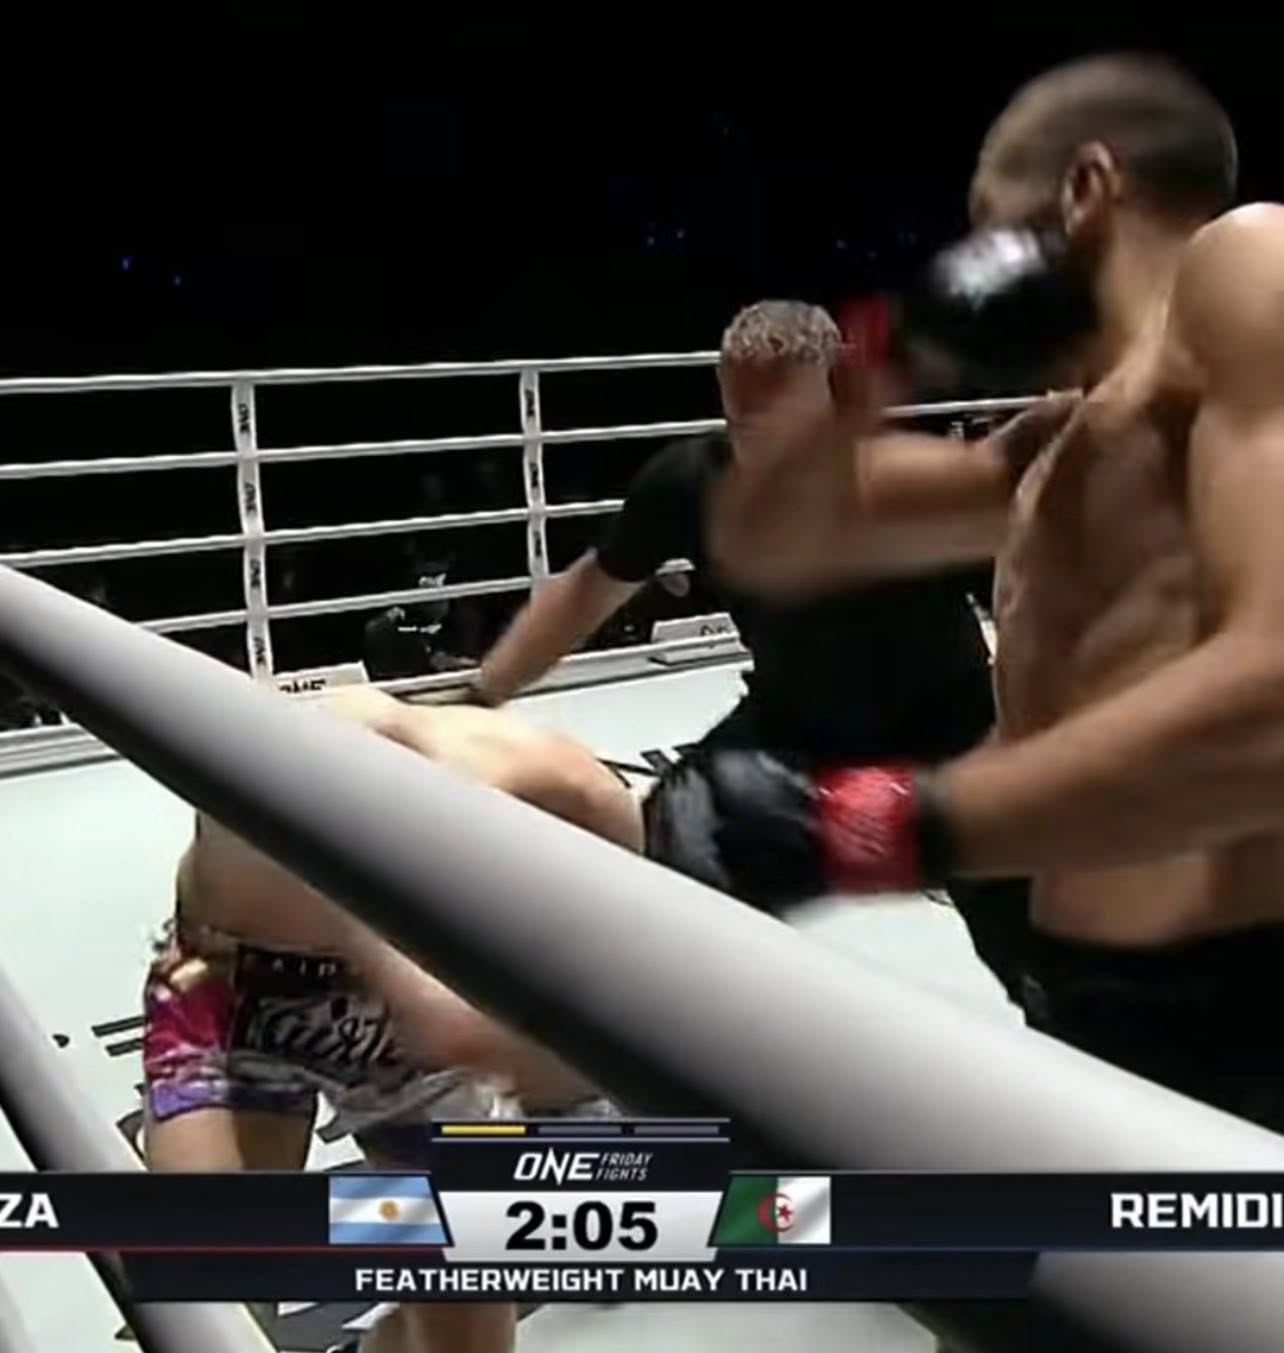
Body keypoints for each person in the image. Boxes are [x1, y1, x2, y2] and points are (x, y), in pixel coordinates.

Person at [685, 55, 1284, 1133]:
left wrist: (880, 828)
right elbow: (769, 532)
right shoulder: (1056, 445)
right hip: (1092, 995)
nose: (967, 260)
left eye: (986, 227)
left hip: (1247, 998)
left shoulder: (1248, 261)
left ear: (1086, 188)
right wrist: (894, 347)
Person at [473, 304, 1029, 998]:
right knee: (676, 860)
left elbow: (1029, 607)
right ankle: (713, 1042)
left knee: (1050, 949)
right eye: (743, 428)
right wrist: (486, 690)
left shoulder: (914, 484)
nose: (761, 455)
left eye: (782, 432)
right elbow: (592, 588)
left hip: (947, 727)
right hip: (794, 726)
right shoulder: (694, 482)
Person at [143, 684, 637, 1353]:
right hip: (232, 994)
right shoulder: (274, 769)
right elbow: (424, 1000)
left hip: (404, 1007)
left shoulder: (556, 777)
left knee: (465, 1321)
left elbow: (621, 910)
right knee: (213, 1285)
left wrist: (567, 1043)